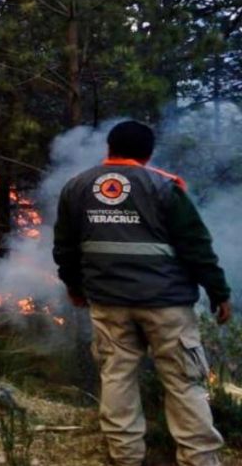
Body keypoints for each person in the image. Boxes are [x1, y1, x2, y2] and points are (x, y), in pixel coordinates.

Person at [52, 120, 233, 466]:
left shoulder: (76, 187)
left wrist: (75, 287)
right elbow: (196, 246)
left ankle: (125, 457)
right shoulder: (165, 187)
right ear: (148, 154)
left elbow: (65, 249)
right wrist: (218, 292)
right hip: (167, 306)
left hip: (109, 303)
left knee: (117, 375)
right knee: (184, 382)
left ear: (109, 149)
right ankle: (199, 460)